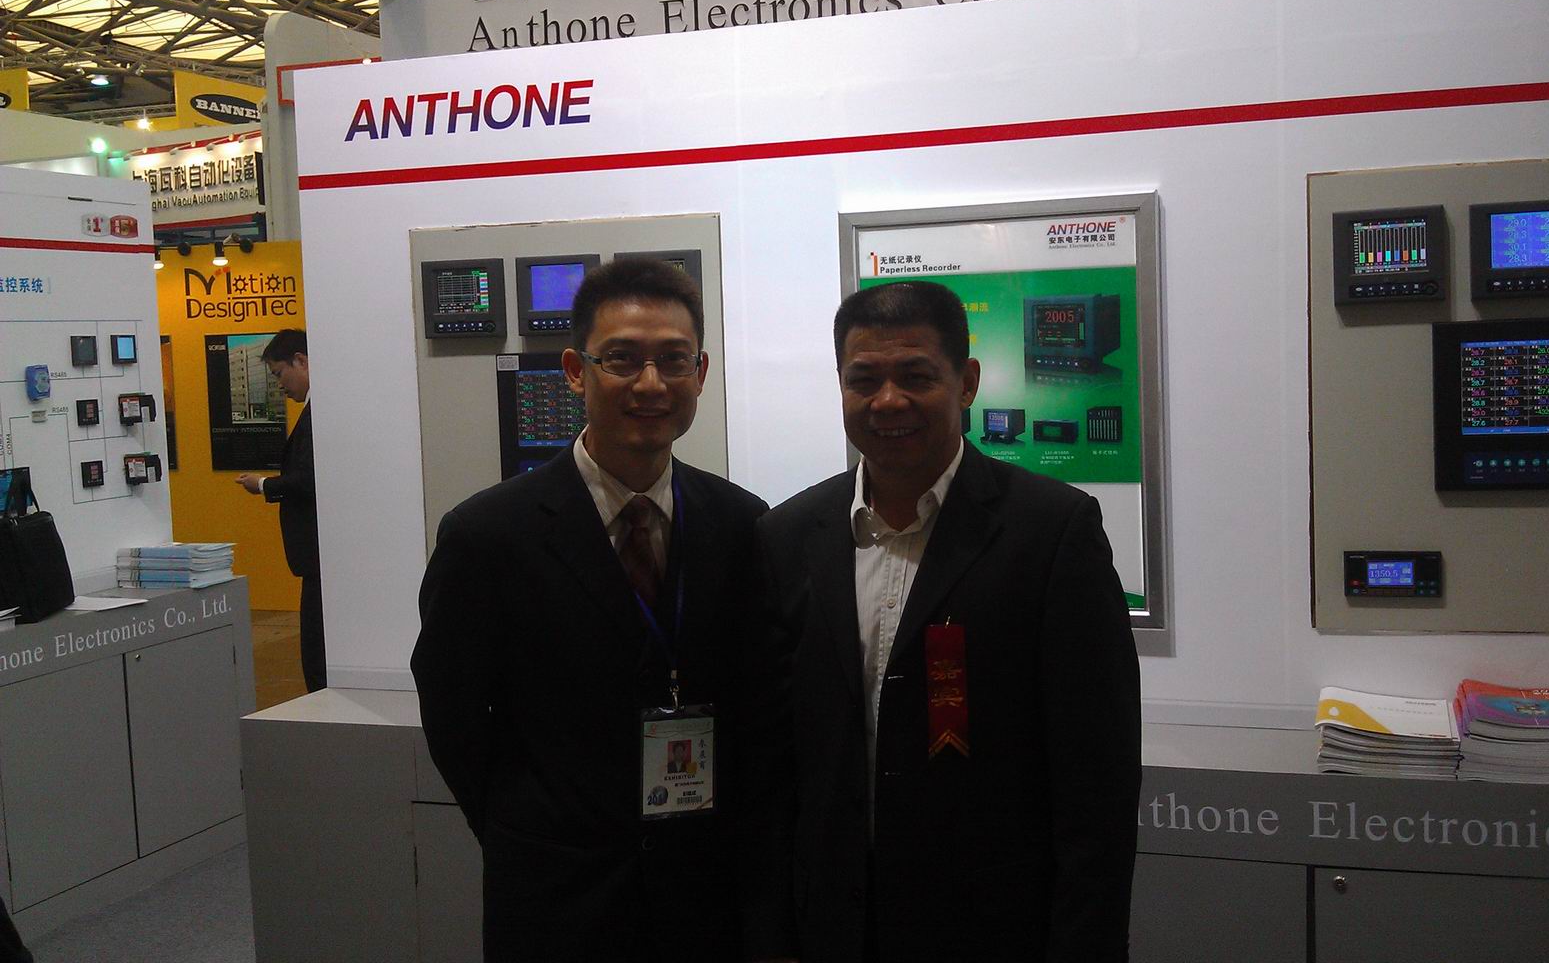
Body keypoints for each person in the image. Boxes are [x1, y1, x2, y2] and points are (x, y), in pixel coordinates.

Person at [749, 281, 1142, 962]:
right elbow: (774, 766)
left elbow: (1097, 783)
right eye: (863, 380)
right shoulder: (788, 537)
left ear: (967, 383)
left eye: (916, 376)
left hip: (993, 929)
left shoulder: (1051, 533)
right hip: (834, 929)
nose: (888, 401)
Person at [412, 258, 767, 962]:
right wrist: (525, 830)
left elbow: (758, 705)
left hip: (704, 889)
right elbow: (454, 715)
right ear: (576, 371)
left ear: (700, 373)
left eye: (673, 360)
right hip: (557, 895)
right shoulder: (489, 535)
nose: (650, 384)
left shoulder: (743, 524)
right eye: (622, 359)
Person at [235, 328, 324, 693]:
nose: (279, 385)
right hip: (316, 558)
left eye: (278, 373)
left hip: (319, 556)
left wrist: (264, 485)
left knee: (318, 655)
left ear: (300, 360)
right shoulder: (314, 412)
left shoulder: (320, 414)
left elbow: (310, 479)